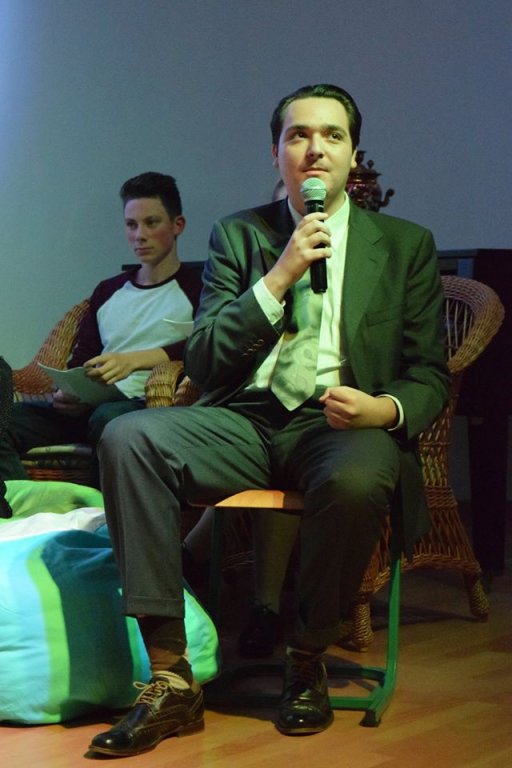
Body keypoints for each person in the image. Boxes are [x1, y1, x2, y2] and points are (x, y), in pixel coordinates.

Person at [91, 83, 450, 755]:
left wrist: (384, 408)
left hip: (341, 426)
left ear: (353, 155)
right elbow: (204, 359)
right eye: (297, 134)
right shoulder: (239, 234)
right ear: (277, 152)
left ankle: (307, 655)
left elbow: (429, 372)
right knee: (128, 436)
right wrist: (279, 277)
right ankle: (169, 676)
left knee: (356, 479)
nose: (314, 148)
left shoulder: (406, 245)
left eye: (332, 135)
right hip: (245, 421)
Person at [0, 172, 202, 497]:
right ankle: (18, 511)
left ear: (178, 225)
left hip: (146, 407)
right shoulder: (107, 291)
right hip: (90, 408)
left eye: (151, 223)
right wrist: (69, 393)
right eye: (131, 225)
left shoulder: (199, 287)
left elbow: (204, 345)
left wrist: (133, 361)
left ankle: (103, 519)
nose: (139, 235)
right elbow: (82, 359)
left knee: (109, 419)